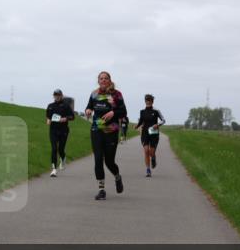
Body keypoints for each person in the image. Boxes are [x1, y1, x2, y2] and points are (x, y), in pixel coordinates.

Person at [84, 71, 127, 200]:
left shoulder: (116, 94)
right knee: (98, 159)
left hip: (111, 131)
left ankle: (117, 176)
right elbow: (89, 107)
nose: (103, 80)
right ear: (98, 81)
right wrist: (88, 110)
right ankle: (101, 189)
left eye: (105, 78)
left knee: (109, 161)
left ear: (109, 80)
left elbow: (123, 111)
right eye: (101, 78)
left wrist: (113, 113)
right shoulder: (94, 94)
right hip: (96, 130)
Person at [136, 94, 167, 177]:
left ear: (152, 101)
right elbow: (141, 121)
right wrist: (137, 125)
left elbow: (163, 120)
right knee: (146, 151)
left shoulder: (156, 111)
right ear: (145, 101)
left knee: (151, 152)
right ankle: (148, 170)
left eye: (149, 100)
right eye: (146, 100)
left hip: (154, 134)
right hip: (145, 133)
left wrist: (158, 125)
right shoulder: (142, 111)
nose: (148, 102)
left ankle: (153, 158)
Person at [46, 89, 75, 177]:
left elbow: (72, 117)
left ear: (61, 96)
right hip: (53, 130)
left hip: (63, 130)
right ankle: (54, 169)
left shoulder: (66, 106)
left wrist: (65, 119)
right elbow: (48, 116)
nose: (57, 96)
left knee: (60, 149)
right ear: (53, 96)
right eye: (55, 95)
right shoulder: (50, 106)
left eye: (58, 95)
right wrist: (48, 120)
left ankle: (63, 158)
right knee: (54, 148)